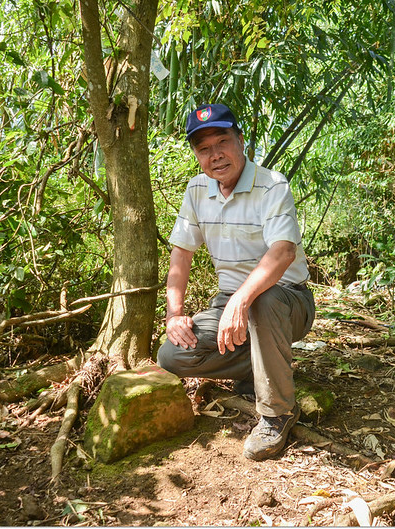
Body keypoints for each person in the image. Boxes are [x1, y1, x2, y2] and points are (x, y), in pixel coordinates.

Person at [157, 103, 316, 461]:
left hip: (288, 301)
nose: (215, 155)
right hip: (230, 302)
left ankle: (277, 414)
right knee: (172, 354)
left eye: (222, 141)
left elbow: (283, 253)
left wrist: (241, 300)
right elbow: (181, 255)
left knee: (262, 299)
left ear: (241, 141)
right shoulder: (198, 190)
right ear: (197, 156)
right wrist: (174, 314)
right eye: (204, 148)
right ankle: (261, 369)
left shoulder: (271, 186)